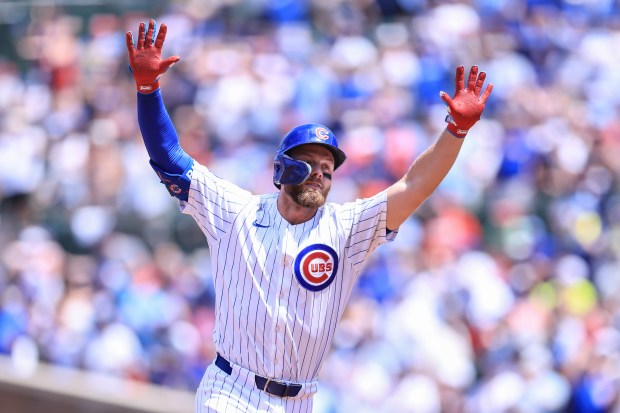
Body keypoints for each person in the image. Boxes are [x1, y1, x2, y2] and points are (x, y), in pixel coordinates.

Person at [126, 19, 493, 413]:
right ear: (282, 169)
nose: (321, 171)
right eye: (310, 162)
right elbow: (171, 160)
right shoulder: (236, 212)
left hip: (299, 401)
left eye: (328, 166)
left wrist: (455, 130)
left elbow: (415, 185)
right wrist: (148, 91)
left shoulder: (348, 228)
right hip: (230, 390)